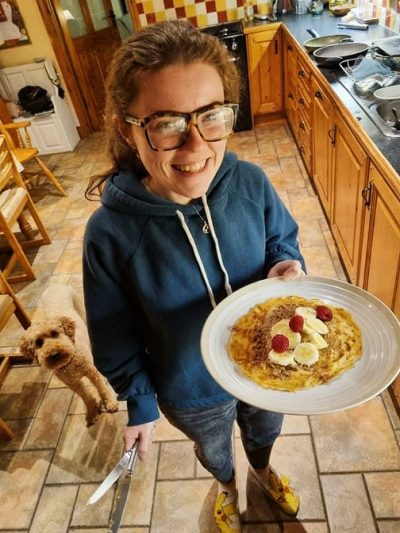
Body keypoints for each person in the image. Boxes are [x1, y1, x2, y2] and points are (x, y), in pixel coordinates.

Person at [83, 20, 305, 532]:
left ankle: (263, 471)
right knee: (213, 448)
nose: (195, 145)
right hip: (190, 386)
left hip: (267, 364)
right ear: (127, 129)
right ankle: (227, 487)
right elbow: (113, 334)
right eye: (167, 123)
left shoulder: (250, 182)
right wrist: (139, 401)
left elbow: (281, 239)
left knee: (265, 429)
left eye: (211, 116)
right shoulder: (110, 234)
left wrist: (284, 262)